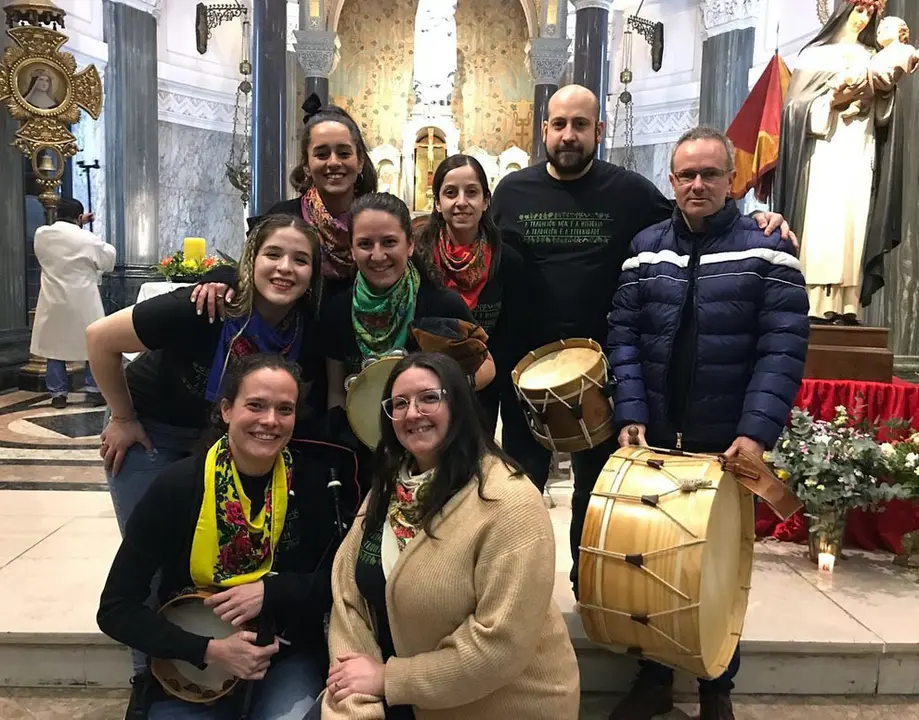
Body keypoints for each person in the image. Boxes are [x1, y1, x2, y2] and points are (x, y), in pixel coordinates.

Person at [490, 83, 793, 594]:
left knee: (597, 493)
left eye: (580, 125)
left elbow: (693, 221)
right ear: (544, 129)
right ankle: (512, 595)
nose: (568, 135)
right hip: (525, 375)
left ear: (599, 132)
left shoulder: (630, 192)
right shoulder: (512, 192)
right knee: (515, 492)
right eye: (559, 124)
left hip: (606, 375)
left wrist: (758, 219)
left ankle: (588, 589)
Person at [606, 126, 809, 720]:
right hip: (659, 437)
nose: (697, 184)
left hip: (726, 440)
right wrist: (632, 411)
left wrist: (755, 431)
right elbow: (623, 337)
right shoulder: (645, 247)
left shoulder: (768, 248)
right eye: (686, 175)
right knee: (652, 561)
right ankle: (653, 678)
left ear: (732, 180)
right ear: (671, 182)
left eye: (709, 174)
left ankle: (718, 687)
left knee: (718, 568)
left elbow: (783, 349)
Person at [86, 215, 325, 685]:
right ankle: (151, 680)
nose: (284, 268)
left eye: (301, 260)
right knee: (153, 568)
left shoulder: (304, 329)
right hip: (154, 432)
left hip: (226, 440)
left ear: (314, 275)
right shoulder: (205, 307)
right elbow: (99, 338)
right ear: (250, 259)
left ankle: (226, 658)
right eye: (273, 254)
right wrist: (123, 417)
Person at [319, 352, 580, 719]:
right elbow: (349, 594)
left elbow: (499, 646)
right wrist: (357, 707)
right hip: (408, 700)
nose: (413, 413)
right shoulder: (392, 484)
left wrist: (388, 679)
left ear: (457, 404)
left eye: (429, 398)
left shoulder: (510, 501)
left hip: (505, 706)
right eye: (400, 403)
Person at [97, 354, 347, 720]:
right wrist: (210, 650)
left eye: (284, 409)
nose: (270, 421)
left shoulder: (314, 484)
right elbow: (115, 609)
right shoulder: (178, 486)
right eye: (256, 406)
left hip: (283, 659)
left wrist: (271, 592)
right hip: (192, 663)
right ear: (227, 410)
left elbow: (341, 581)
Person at [774, 0, 903, 323]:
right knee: (823, 225)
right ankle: (814, 301)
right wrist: (831, 100)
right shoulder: (815, 55)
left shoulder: (873, 57)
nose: (864, 19)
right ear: (843, 11)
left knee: (854, 222)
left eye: (871, 14)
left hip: (860, 147)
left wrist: (883, 95)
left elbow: (885, 118)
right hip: (823, 153)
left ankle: (849, 301)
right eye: (860, 10)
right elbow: (794, 111)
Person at [322, 192, 495, 411]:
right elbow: (336, 392)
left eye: (389, 242)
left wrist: (444, 391)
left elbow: (487, 366)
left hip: (429, 431)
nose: (378, 255)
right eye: (365, 244)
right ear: (352, 251)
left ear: (410, 244)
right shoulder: (337, 310)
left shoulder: (442, 304)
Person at [414, 154, 525, 431]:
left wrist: (485, 380)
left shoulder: (508, 260)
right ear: (437, 202)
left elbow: (510, 333)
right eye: (450, 193)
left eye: (472, 192)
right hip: (426, 386)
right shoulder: (418, 256)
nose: (461, 202)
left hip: (483, 386)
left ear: (486, 201)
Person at [31, 197, 113, 408]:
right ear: (79, 217)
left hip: (54, 298)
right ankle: (93, 389)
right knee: (91, 344)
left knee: (54, 346)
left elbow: (60, 240)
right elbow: (107, 260)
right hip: (83, 299)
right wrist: (83, 229)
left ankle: (58, 393)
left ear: (57, 214)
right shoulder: (87, 239)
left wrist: (78, 225)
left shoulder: (41, 234)